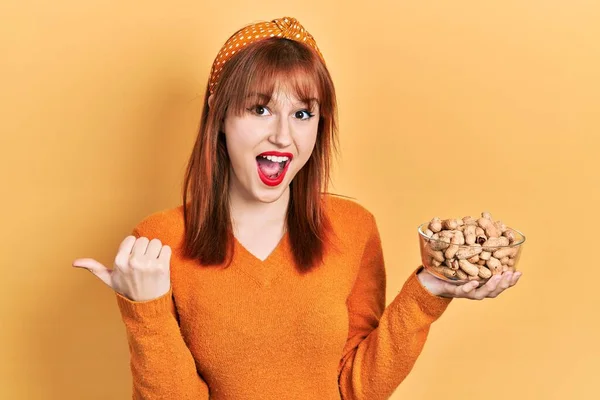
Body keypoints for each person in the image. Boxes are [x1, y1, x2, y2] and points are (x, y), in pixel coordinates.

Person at [73, 16, 522, 400]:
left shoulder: (353, 228)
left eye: (303, 114)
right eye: (260, 109)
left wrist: (430, 291)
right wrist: (146, 310)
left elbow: (357, 389)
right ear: (220, 114)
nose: (284, 137)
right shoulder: (160, 241)